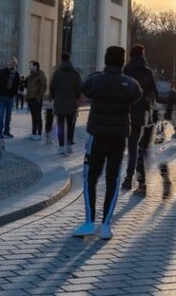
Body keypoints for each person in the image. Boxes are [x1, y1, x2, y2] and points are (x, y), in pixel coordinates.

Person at [73, 46, 142, 241]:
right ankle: (106, 225)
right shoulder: (130, 84)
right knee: (113, 179)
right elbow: (138, 95)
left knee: (90, 178)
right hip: (118, 137)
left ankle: (89, 222)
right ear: (122, 62)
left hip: (97, 135)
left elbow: (84, 89)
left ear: (106, 59)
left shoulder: (96, 80)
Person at [122, 44, 158, 195]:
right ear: (143, 55)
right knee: (138, 148)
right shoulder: (147, 71)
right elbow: (154, 92)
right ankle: (140, 181)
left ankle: (128, 178)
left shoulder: (126, 70)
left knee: (131, 147)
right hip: (141, 113)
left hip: (127, 112)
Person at [49, 53, 82, 155]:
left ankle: (61, 146)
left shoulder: (57, 73)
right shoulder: (75, 73)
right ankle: (69, 146)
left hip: (59, 102)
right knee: (70, 124)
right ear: (69, 59)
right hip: (71, 102)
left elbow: (52, 87)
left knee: (60, 124)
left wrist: (54, 97)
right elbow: (79, 87)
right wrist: (76, 96)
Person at [21, 59, 44, 140]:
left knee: (38, 116)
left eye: (31, 65)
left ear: (35, 66)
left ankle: (39, 134)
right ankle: (33, 133)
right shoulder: (30, 76)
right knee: (33, 116)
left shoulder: (40, 75)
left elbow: (43, 86)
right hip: (30, 99)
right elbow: (27, 86)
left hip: (37, 99)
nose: (29, 67)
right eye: (29, 65)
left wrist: (38, 96)